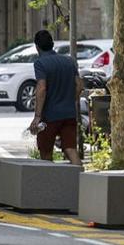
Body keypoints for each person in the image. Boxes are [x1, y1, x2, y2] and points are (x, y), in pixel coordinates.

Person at [28, 29, 82, 165]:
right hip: (69, 114)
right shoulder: (69, 61)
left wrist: (37, 116)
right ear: (52, 44)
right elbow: (80, 85)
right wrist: (71, 100)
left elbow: (41, 88)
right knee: (70, 149)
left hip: (49, 117)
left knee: (46, 153)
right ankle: (81, 179)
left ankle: (48, 184)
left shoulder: (40, 63)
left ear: (37, 46)